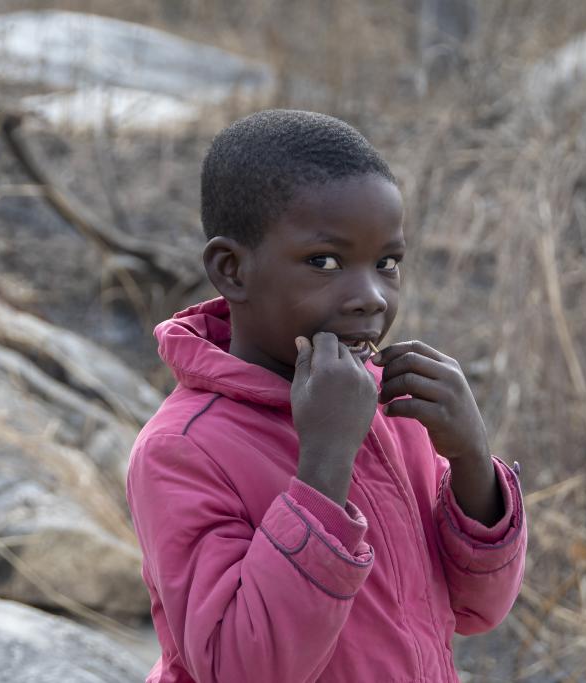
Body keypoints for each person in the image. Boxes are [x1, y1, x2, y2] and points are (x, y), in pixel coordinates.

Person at [125, 109, 526, 682]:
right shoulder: (185, 449)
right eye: (325, 262)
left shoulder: (392, 410)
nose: (370, 297)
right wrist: (324, 465)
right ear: (231, 270)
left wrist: (470, 462)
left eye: (387, 263)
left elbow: (476, 609)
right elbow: (241, 666)